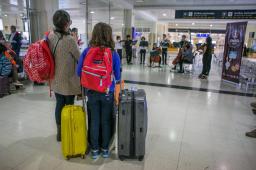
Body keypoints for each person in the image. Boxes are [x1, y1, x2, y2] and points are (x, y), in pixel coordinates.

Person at [77, 22, 121, 159]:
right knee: (106, 121)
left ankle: (94, 150)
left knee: (94, 120)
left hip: (91, 92)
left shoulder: (86, 51)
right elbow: (118, 76)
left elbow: (79, 72)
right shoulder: (113, 53)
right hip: (107, 92)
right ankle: (105, 149)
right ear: (109, 36)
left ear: (94, 35)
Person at [48, 10, 81, 142]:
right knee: (69, 106)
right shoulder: (69, 40)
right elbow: (80, 57)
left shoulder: (50, 36)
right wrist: (74, 39)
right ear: (67, 23)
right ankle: (68, 132)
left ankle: (60, 132)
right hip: (68, 81)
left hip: (55, 79)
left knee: (59, 104)